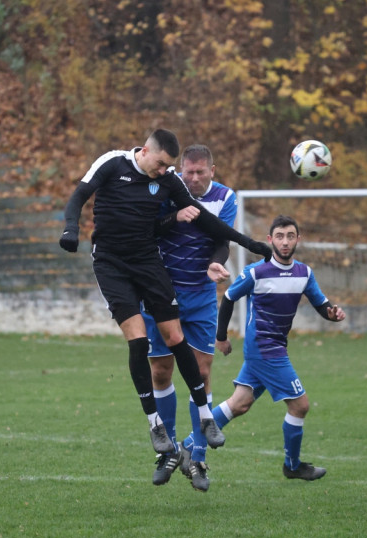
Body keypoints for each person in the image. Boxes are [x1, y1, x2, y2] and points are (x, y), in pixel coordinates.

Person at [58, 129, 271, 460]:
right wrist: (70, 228)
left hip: (147, 262)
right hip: (111, 266)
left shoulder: (169, 180)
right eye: (160, 165)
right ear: (145, 151)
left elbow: (206, 223)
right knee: (139, 341)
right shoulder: (112, 163)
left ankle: (204, 415)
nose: (164, 172)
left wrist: (251, 244)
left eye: (169, 167)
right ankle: (155, 424)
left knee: (175, 337)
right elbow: (78, 197)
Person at [206, 215, 346, 483]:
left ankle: (187, 446)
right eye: (279, 236)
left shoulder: (304, 273)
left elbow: (321, 305)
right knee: (300, 406)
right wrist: (221, 337)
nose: (285, 242)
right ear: (270, 240)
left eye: (290, 236)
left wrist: (333, 313)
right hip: (264, 349)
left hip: (274, 347)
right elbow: (229, 298)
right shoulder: (256, 272)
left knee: (240, 403)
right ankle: (292, 465)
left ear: (297, 240)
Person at [140, 144, 236, 491]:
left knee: (202, 372)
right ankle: (167, 450)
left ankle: (195, 455)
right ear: (180, 169)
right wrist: (173, 217)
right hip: (161, 294)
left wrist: (216, 260)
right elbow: (147, 229)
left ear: (213, 169)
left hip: (200, 296)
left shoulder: (226, 197)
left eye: (200, 172)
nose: (193, 179)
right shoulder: (166, 188)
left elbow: (222, 239)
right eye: (188, 172)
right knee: (160, 370)